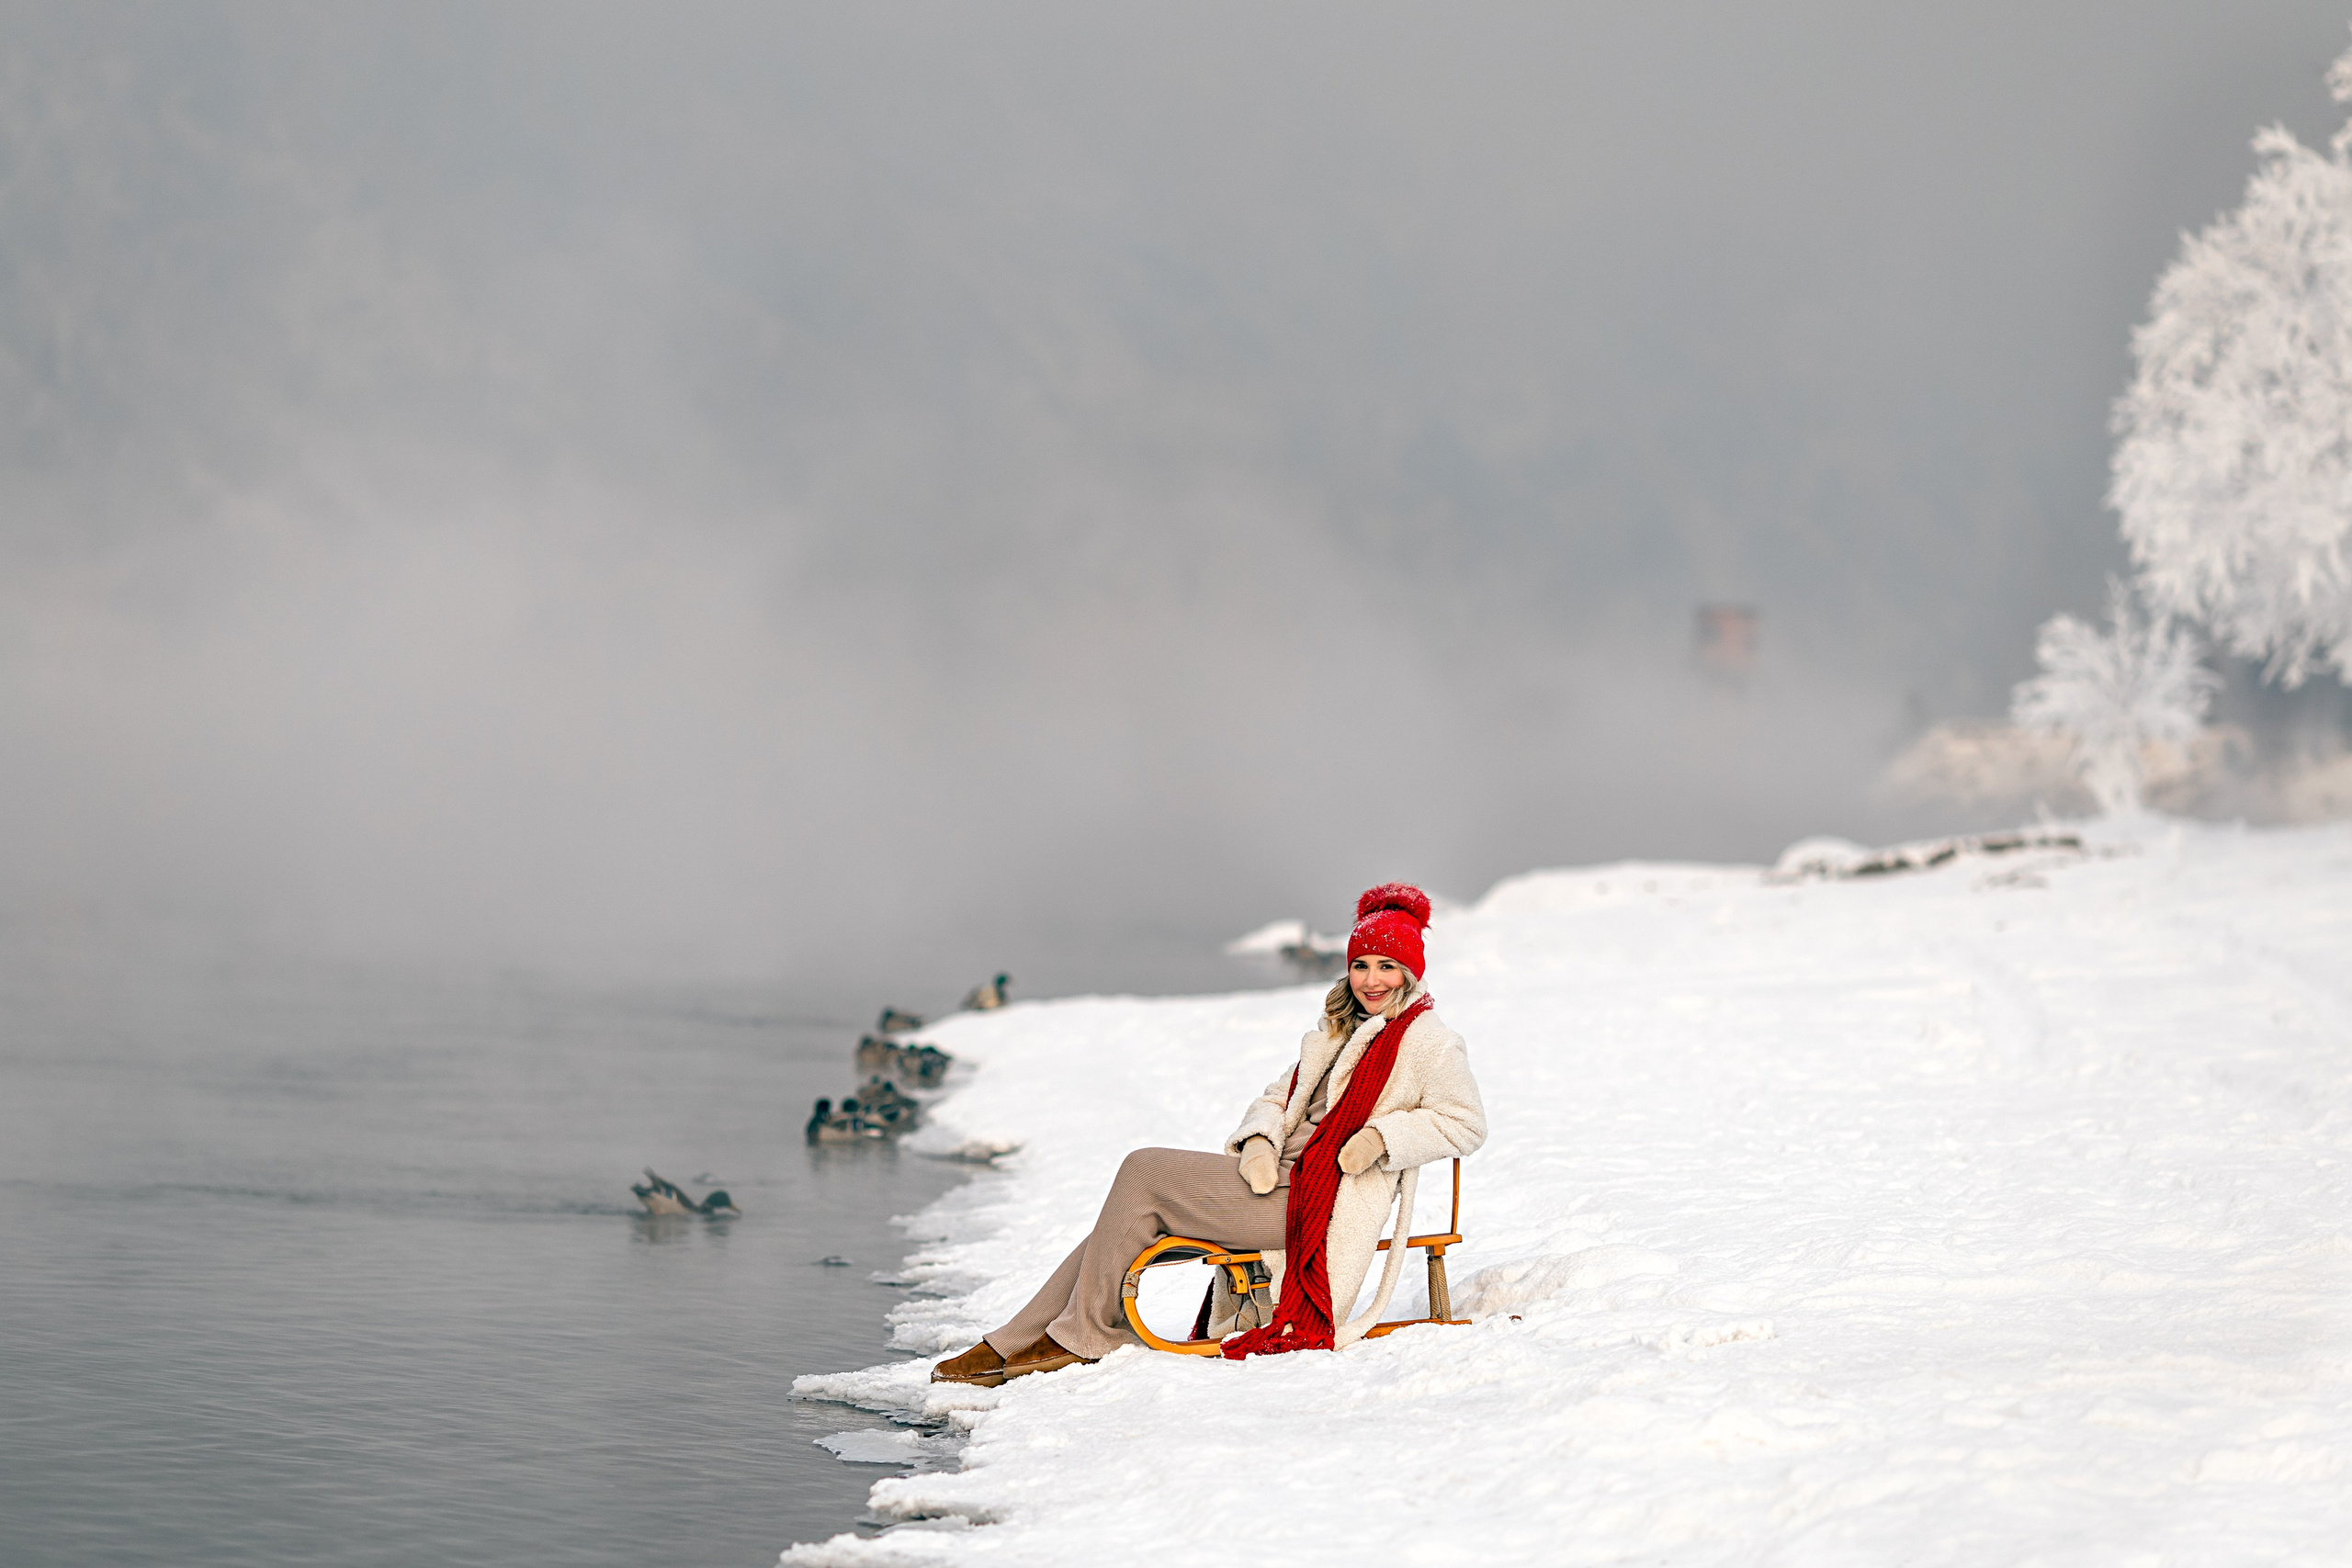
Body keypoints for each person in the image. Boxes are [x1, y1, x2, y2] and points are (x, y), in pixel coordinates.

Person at [931, 884, 1486, 1385]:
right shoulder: (1336, 1032)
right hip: (1282, 1184)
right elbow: (1276, 1098)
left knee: (1143, 1171)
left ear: (1409, 974)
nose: (1371, 981)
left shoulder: (1429, 1042)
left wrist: (1381, 1140)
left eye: (1387, 967)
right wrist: (1263, 1141)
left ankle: (1080, 1336)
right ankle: (1012, 1341)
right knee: (1126, 1213)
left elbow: (1465, 1122)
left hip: (1326, 1204)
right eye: (1361, 965)